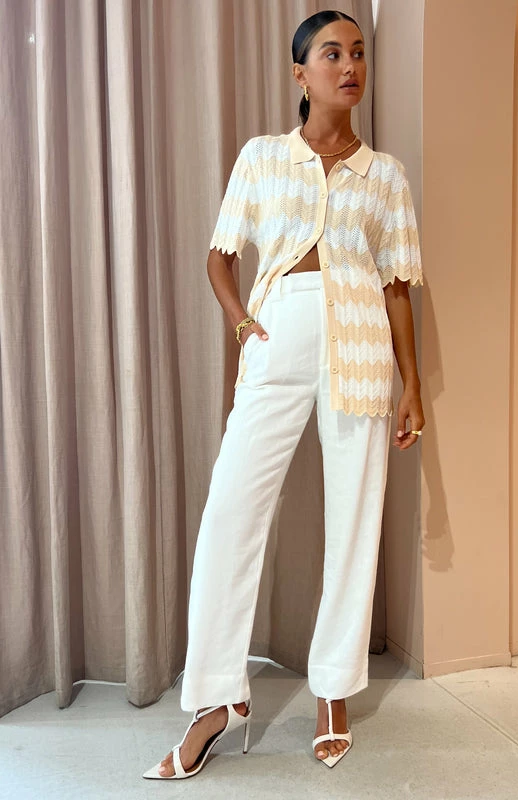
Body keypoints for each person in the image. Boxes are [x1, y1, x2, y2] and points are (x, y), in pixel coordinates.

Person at [143, 9, 424, 781]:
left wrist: (413, 384)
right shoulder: (264, 158)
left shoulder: (386, 175)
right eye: (332, 53)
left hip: (361, 344)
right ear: (300, 73)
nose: (350, 65)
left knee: (354, 519)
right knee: (231, 513)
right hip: (279, 336)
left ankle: (333, 691)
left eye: (358, 52)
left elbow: (398, 286)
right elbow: (220, 255)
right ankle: (215, 699)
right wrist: (243, 323)